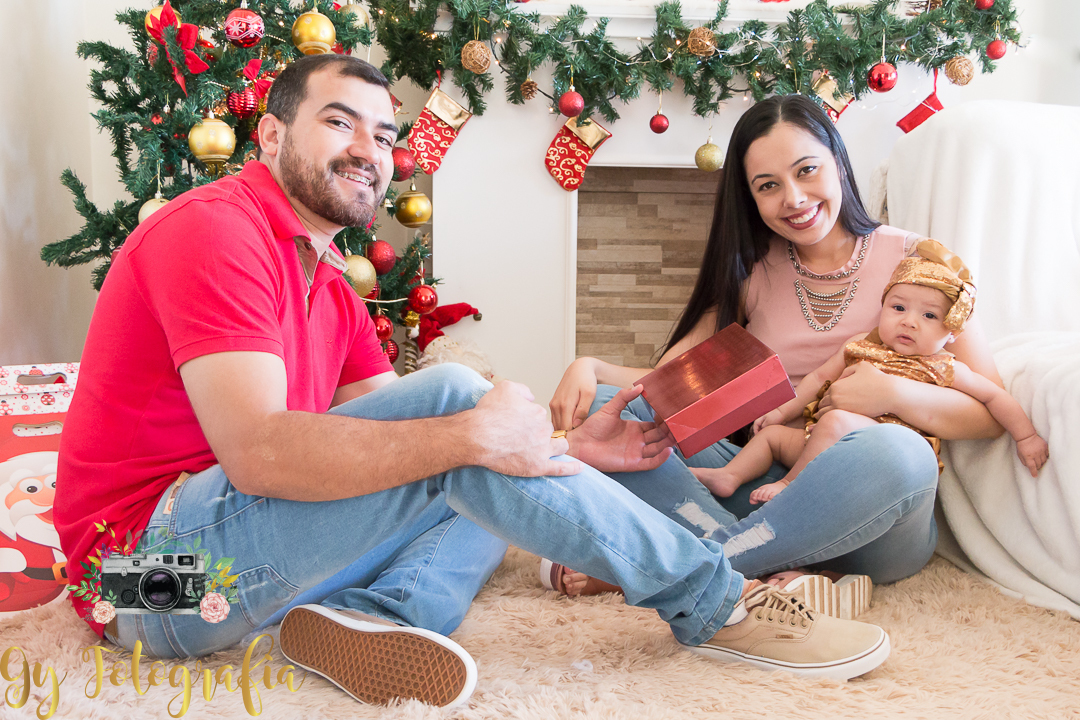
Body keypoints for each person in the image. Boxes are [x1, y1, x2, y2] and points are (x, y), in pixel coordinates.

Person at [53, 57, 892, 710]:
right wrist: (476, 433)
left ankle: (383, 619)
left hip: (226, 564)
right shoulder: (217, 231)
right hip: (140, 583)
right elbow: (261, 455)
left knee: (481, 472)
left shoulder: (330, 284)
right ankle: (716, 604)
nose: (368, 150)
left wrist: (560, 447)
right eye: (339, 122)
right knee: (461, 407)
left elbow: (391, 458)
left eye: (385, 134)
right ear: (271, 136)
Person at [547, 94, 1008, 605]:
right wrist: (588, 366)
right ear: (751, 198)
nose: (793, 198)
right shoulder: (754, 270)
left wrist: (893, 395)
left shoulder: (921, 263)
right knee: (612, 408)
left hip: (869, 505)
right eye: (768, 186)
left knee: (902, 453)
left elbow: (991, 415)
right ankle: (769, 564)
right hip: (759, 488)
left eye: (807, 170)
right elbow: (665, 381)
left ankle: (669, 567)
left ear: (838, 161)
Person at [694, 242, 1049, 507]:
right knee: (772, 436)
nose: (909, 321)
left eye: (929, 316)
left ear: (952, 333)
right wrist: (780, 412)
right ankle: (730, 476)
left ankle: (790, 486)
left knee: (836, 422)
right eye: (898, 307)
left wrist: (1027, 436)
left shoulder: (943, 366)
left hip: (878, 456)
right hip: (817, 442)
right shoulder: (861, 345)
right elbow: (817, 379)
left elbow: (993, 396)